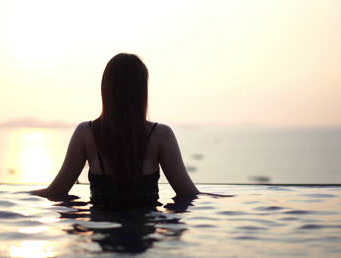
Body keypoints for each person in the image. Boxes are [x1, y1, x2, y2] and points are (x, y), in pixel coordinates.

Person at [31, 53, 231, 208]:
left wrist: (10, 196)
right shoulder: (161, 135)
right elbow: (188, 194)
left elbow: (56, 191)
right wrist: (234, 199)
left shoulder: (86, 133)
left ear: (106, 89)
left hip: (102, 240)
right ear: (141, 90)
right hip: (145, 237)